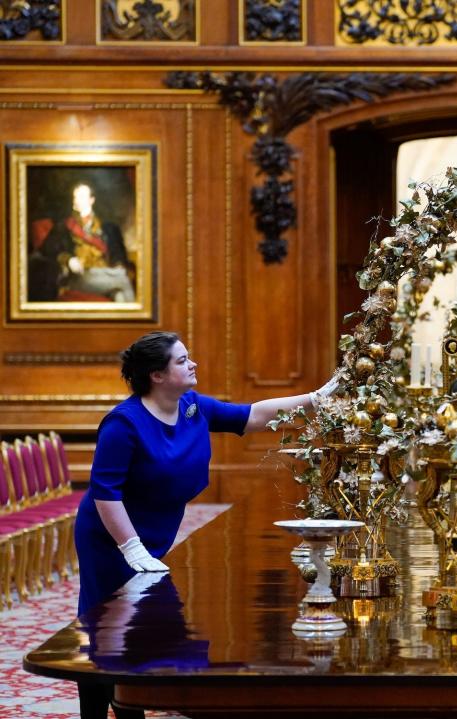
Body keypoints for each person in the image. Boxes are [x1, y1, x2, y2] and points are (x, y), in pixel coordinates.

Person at [74, 330, 337, 719]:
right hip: (112, 538)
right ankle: (99, 711)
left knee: (149, 619)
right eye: (182, 360)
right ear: (156, 375)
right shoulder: (123, 424)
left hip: (156, 532)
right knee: (110, 627)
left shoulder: (192, 407)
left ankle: (131, 700)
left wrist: (317, 399)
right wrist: (131, 549)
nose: (192, 363)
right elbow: (105, 493)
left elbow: (255, 415)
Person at [38, 182, 136, 302]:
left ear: (91, 200)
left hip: (106, 273)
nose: (77, 200)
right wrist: (68, 259)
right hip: (80, 276)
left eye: (82, 197)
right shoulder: (64, 226)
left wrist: (118, 264)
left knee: (120, 294)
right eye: (75, 197)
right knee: (123, 280)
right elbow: (47, 248)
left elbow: (118, 252)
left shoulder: (107, 227)